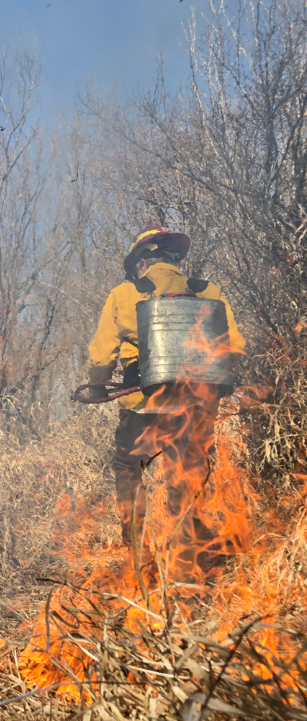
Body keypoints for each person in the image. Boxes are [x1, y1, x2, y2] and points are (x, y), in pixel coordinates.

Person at [87, 226, 245, 560]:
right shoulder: (209, 291)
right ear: (175, 259)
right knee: (186, 473)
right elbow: (234, 346)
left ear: (141, 262)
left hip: (141, 404)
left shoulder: (125, 294)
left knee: (129, 467)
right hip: (196, 407)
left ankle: (139, 551)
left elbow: (102, 354)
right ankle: (187, 553)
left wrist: (97, 385)